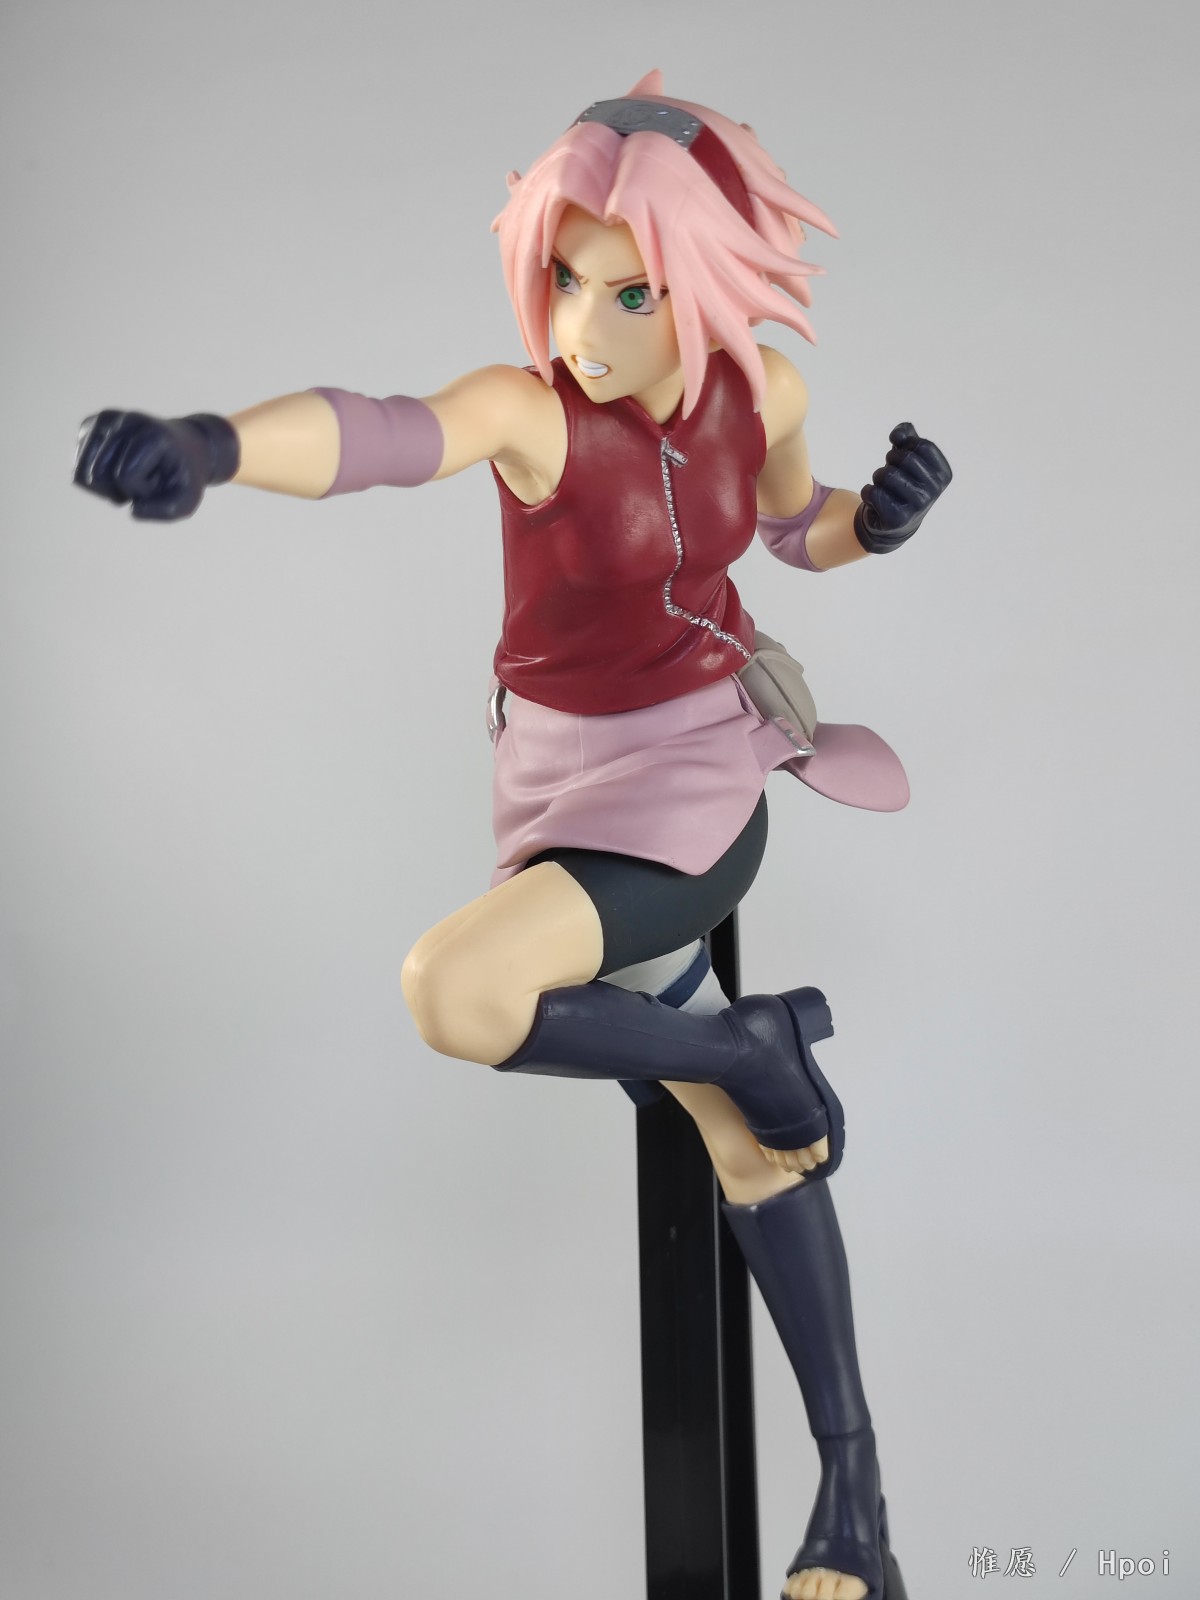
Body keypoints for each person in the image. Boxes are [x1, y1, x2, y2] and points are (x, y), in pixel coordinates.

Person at [74, 70, 951, 1600]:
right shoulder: (532, 411)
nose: (580, 327)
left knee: (459, 990)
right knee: (747, 1144)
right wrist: (208, 446)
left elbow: (789, 531)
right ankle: (856, 1509)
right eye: (563, 278)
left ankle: (748, 1051)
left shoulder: (765, 390)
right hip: (553, 783)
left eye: (630, 292)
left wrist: (876, 523)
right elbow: (379, 432)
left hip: (702, 776)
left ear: (706, 284)